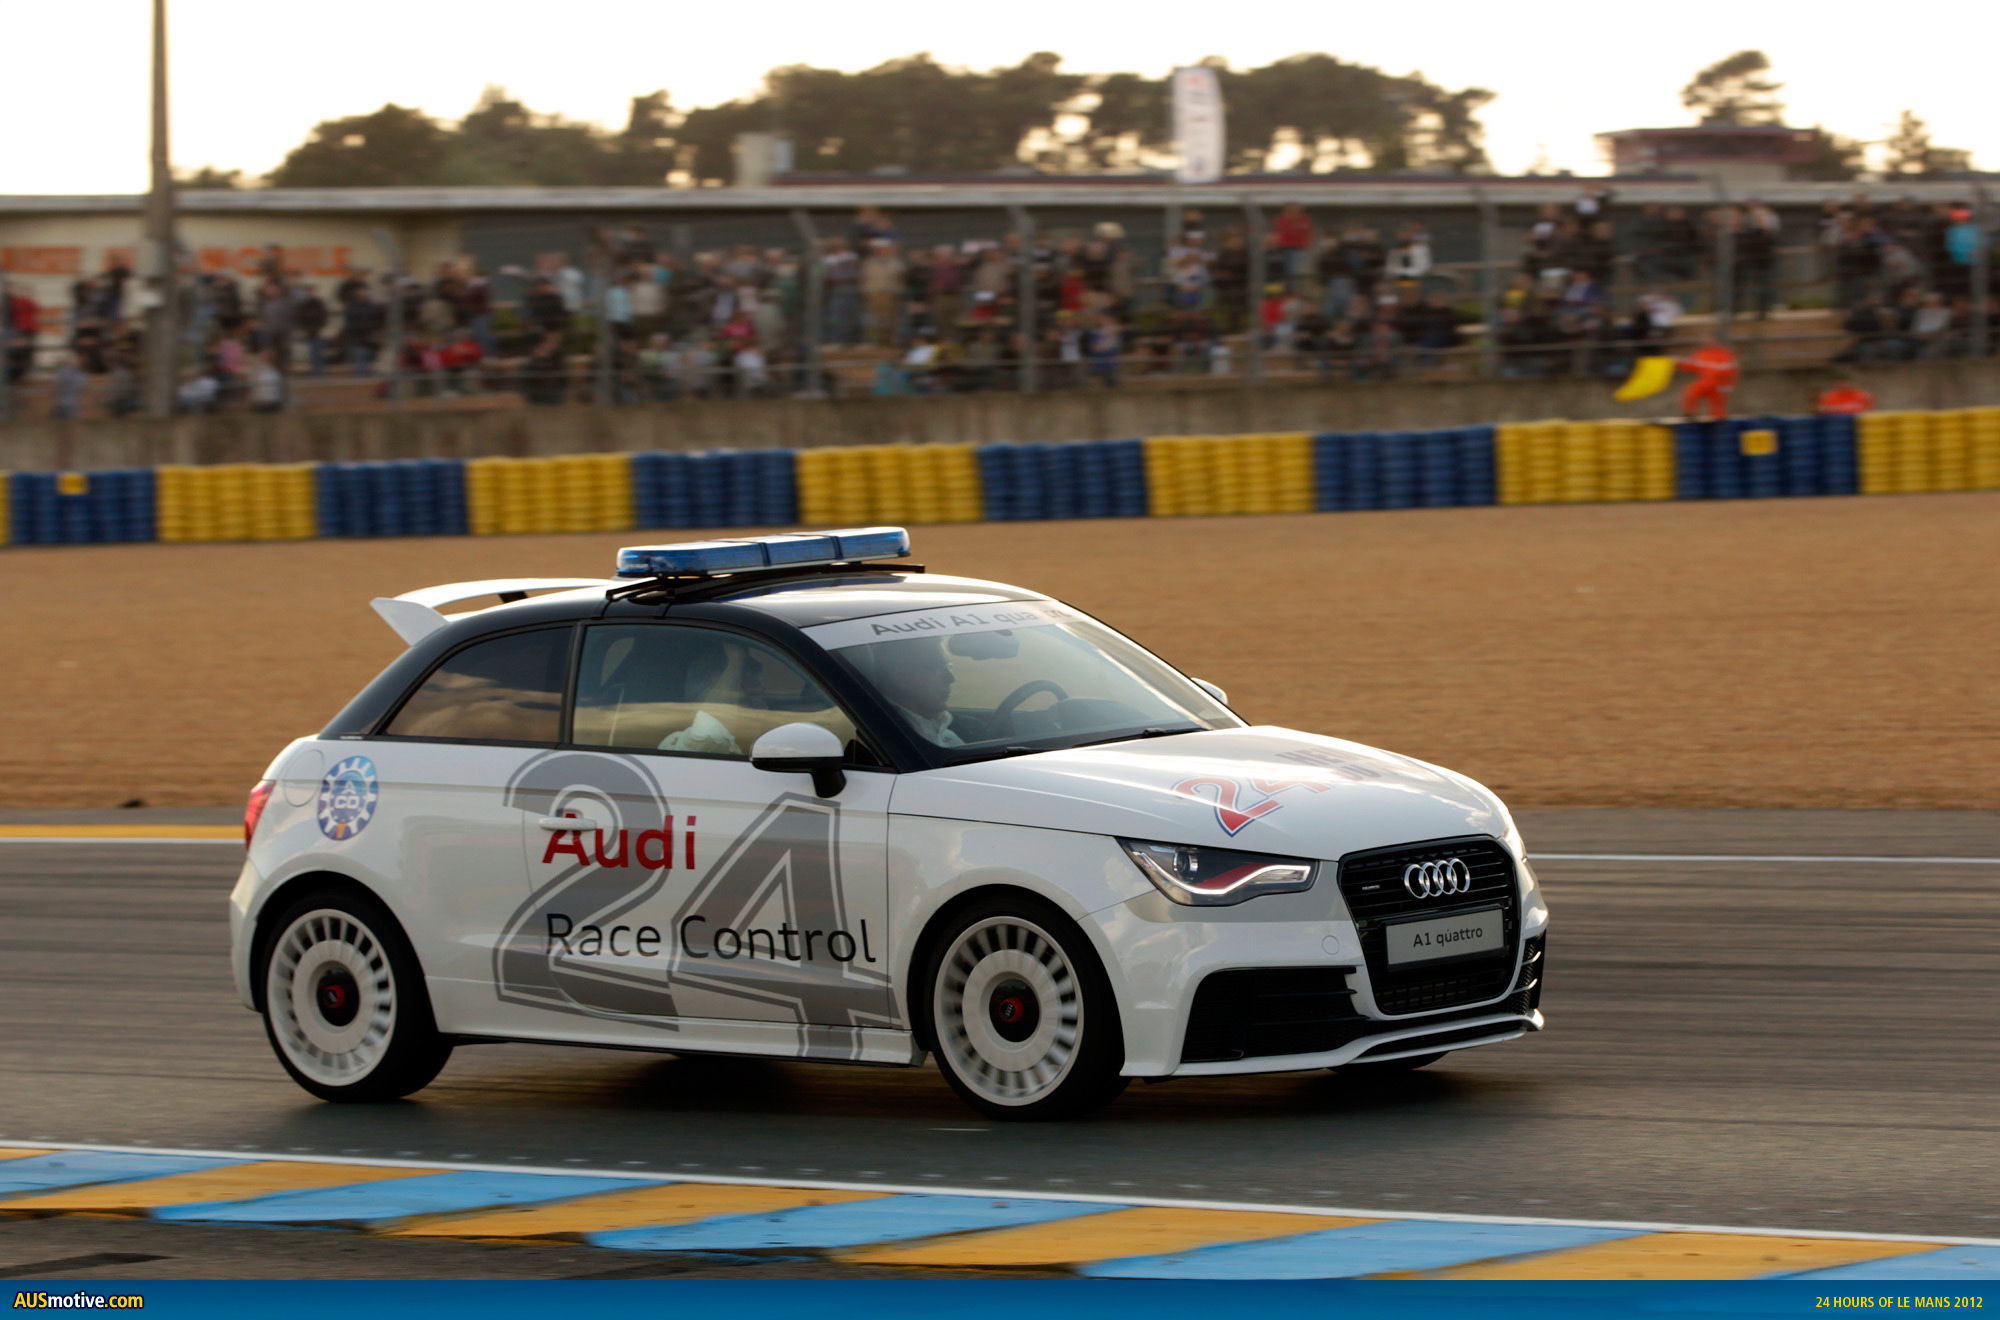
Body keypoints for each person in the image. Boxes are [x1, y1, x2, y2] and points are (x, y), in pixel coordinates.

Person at [869, 637, 961, 746]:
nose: (951, 678)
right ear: (901, 677)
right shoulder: (894, 740)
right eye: (937, 668)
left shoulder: (939, 729)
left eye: (948, 667)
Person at [1677, 340, 1739, 420]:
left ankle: (1719, 420)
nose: (1708, 343)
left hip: (1721, 384)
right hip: (1708, 383)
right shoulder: (1702, 354)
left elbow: (1730, 371)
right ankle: (1690, 414)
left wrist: (1727, 384)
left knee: (1718, 404)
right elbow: (1692, 365)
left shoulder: (1725, 354)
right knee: (1691, 393)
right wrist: (1679, 363)